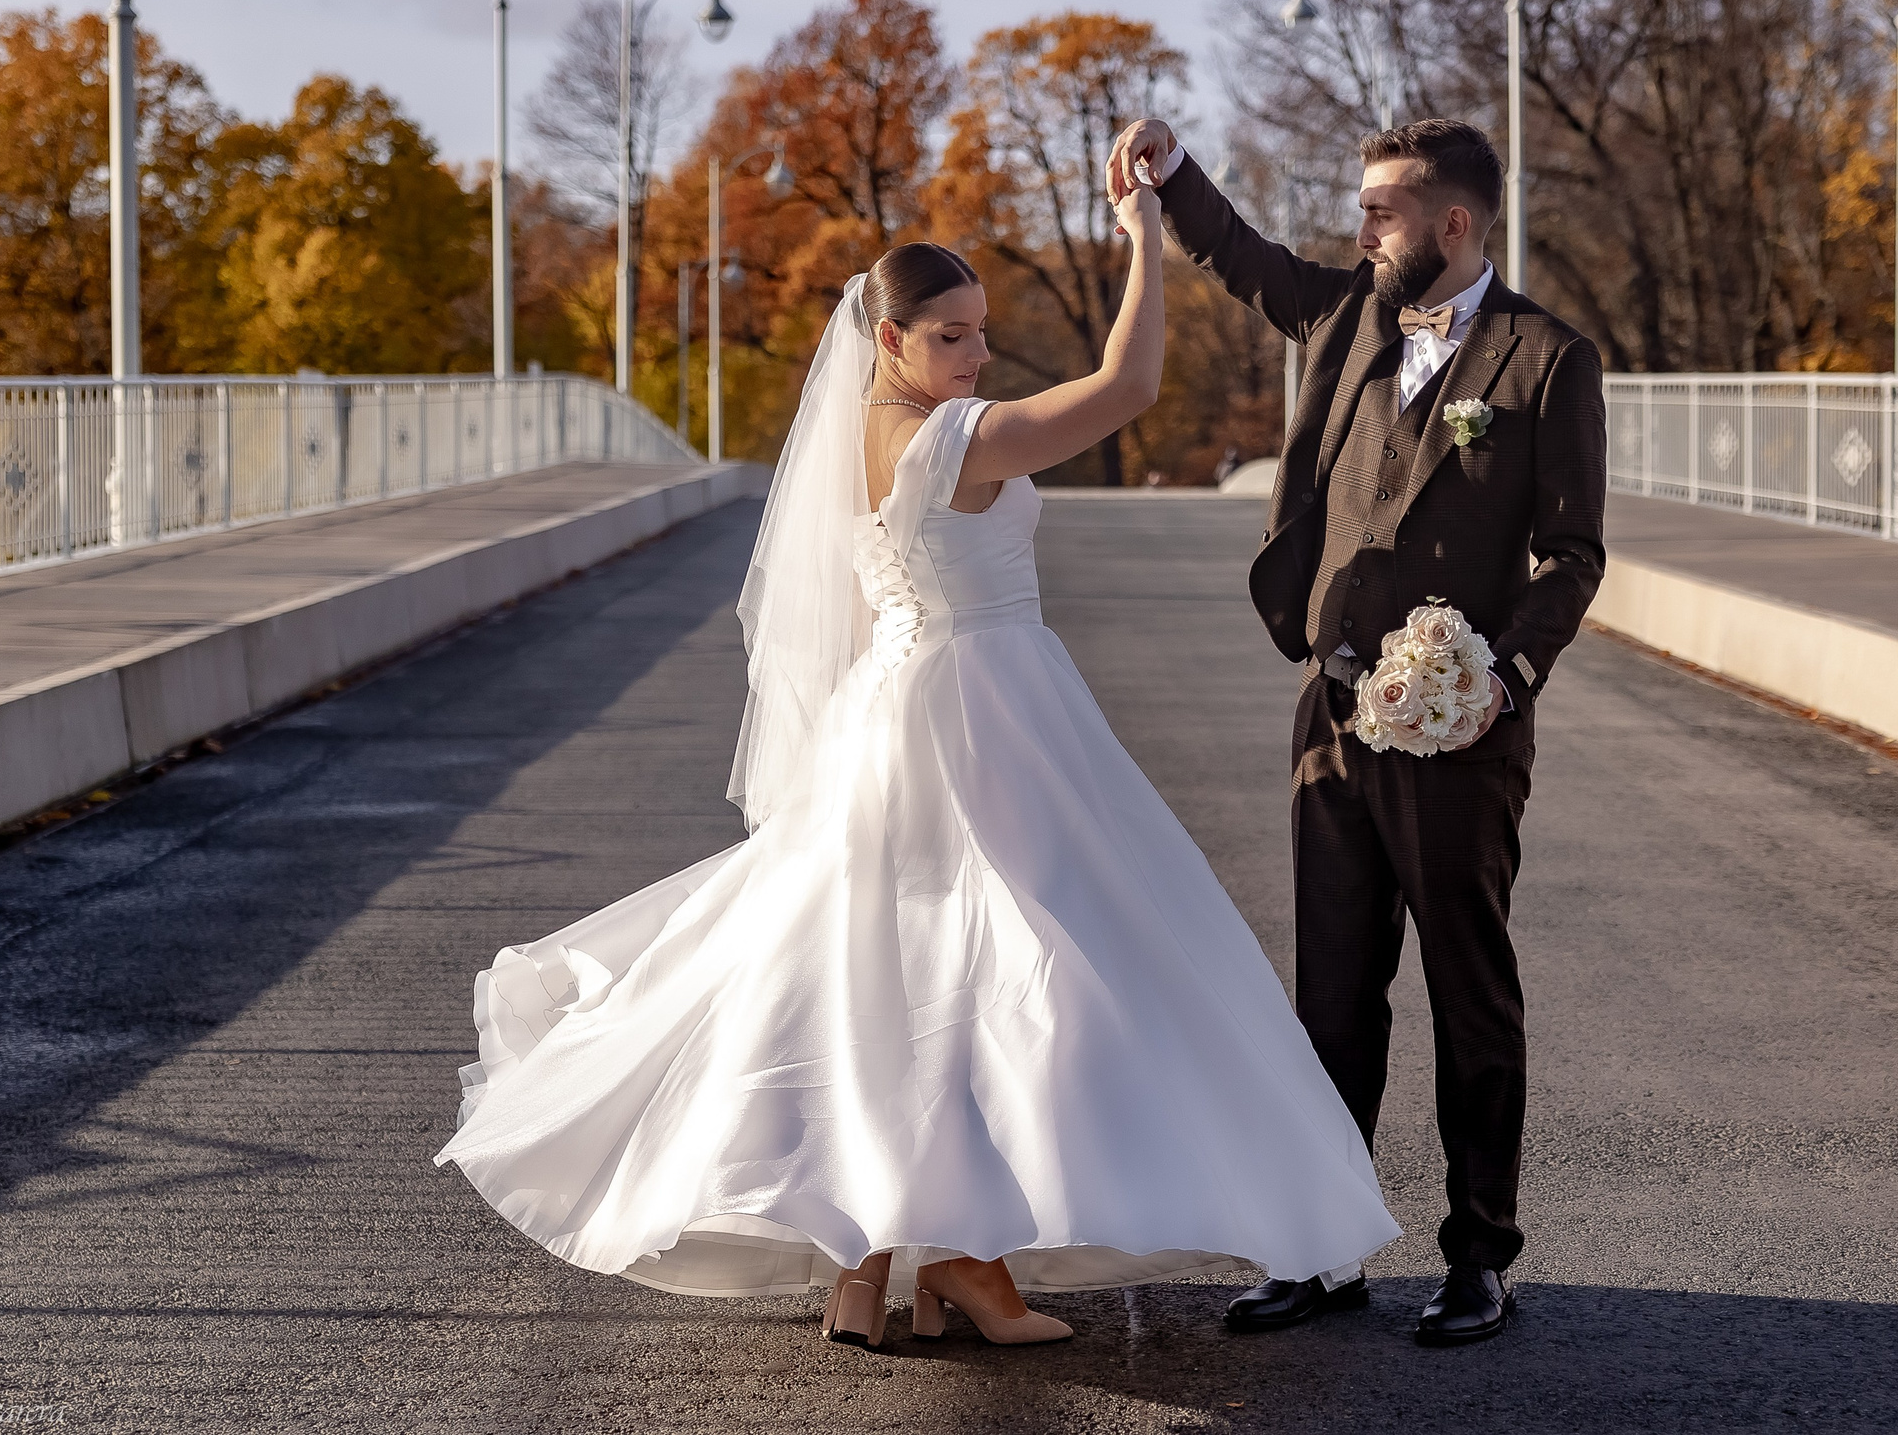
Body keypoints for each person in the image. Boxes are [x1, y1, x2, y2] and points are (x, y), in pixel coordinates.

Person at [432, 186, 1399, 1352]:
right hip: (987, 705)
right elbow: (1129, 390)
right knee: (1014, 969)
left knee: (893, 977)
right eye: (952, 334)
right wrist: (1145, 243)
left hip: (891, 705)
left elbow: (855, 602)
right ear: (886, 338)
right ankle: (958, 1258)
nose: (978, 353)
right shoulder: (960, 437)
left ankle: (878, 1263)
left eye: (984, 331)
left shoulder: (859, 437)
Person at [1107, 116, 1607, 1348]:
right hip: (1330, 712)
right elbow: (1239, 253)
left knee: (1466, 990)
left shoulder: (1547, 360)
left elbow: (1571, 552)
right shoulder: (1344, 314)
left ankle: (1480, 1256)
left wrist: (1501, 670)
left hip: (1459, 725)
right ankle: (1320, 1249)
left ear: (1454, 222)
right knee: (1331, 994)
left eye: (1383, 208)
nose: (1361, 225)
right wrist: (1169, 174)